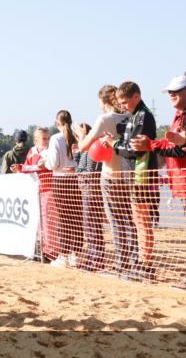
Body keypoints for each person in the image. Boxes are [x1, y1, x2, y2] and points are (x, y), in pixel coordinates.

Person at [130, 75, 186, 288]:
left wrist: (151, 145)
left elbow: (180, 149)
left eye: (176, 91)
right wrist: (153, 144)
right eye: (169, 91)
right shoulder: (181, 113)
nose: (171, 95)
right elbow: (172, 144)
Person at [76, 85, 134, 275]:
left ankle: (121, 262)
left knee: (116, 220)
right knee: (130, 219)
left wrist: (82, 137)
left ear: (103, 101)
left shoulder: (104, 119)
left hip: (111, 174)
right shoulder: (130, 116)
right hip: (129, 174)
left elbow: (83, 147)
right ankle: (132, 261)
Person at [107, 81, 159, 281]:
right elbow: (127, 143)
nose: (122, 106)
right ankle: (140, 260)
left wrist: (114, 144)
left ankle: (146, 264)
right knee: (137, 219)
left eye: (124, 101)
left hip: (142, 174)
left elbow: (134, 148)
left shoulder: (143, 116)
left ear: (136, 96)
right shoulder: (133, 115)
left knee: (142, 220)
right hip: (133, 174)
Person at [44, 110, 84, 267]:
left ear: (57, 123)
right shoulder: (77, 136)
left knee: (64, 218)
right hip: (75, 180)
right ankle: (77, 254)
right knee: (76, 218)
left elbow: (52, 163)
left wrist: (45, 163)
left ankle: (64, 255)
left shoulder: (55, 138)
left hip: (60, 181)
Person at [20, 127, 58, 261]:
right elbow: (26, 167)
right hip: (36, 191)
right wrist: (20, 168)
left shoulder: (50, 151)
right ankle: (40, 248)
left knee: (49, 221)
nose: (47, 141)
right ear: (36, 139)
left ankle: (51, 251)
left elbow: (48, 167)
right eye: (44, 138)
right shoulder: (31, 151)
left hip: (49, 189)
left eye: (48, 138)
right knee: (38, 222)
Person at [73, 123, 106, 271]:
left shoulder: (92, 148)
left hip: (91, 191)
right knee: (90, 226)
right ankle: (93, 257)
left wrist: (78, 169)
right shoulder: (86, 149)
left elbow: (88, 169)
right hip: (88, 190)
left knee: (92, 225)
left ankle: (96, 259)